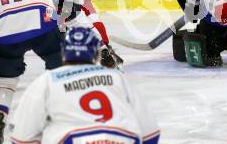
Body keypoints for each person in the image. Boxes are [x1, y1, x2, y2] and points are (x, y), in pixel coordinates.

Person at [0, 0, 85, 143]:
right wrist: (68, 11)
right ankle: (62, 114)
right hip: (42, 23)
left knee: (3, 78)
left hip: (4, 30)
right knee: (61, 64)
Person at [9, 27, 160, 144]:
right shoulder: (116, 77)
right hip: (122, 137)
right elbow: (150, 132)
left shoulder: (48, 80)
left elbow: (22, 137)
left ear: (63, 52)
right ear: (95, 53)